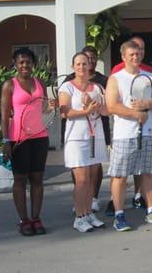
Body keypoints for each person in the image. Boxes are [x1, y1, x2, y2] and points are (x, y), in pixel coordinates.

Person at [105, 40, 152, 231]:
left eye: (138, 53)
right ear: (123, 57)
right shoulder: (115, 78)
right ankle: (119, 215)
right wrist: (135, 114)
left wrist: (146, 104)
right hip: (124, 136)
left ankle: (151, 210)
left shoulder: (149, 76)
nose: (135, 57)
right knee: (120, 176)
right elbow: (112, 106)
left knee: (148, 173)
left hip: (147, 134)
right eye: (131, 54)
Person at [0, 48, 51, 235]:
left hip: (39, 137)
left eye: (28, 62)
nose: (24, 65)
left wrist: (51, 105)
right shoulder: (9, 85)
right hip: (18, 138)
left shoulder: (40, 83)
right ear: (15, 64)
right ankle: (24, 220)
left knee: (37, 178)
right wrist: (6, 141)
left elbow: (45, 109)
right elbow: (4, 117)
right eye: (21, 62)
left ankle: (36, 218)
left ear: (33, 63)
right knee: (20, 179)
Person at [59, 52, 108, 232]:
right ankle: (79, 217)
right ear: (73, 67)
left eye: (85, 64)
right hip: (76, 139)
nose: (81, 67)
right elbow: (65, 112)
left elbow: (106, 111)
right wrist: (86, 111)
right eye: (78, 64)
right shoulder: (67, 87)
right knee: (80, 180)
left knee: (90, 179)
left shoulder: (97, 87)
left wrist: (94, 103)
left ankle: (88, 214)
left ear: (90, 66)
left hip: (95, 137)